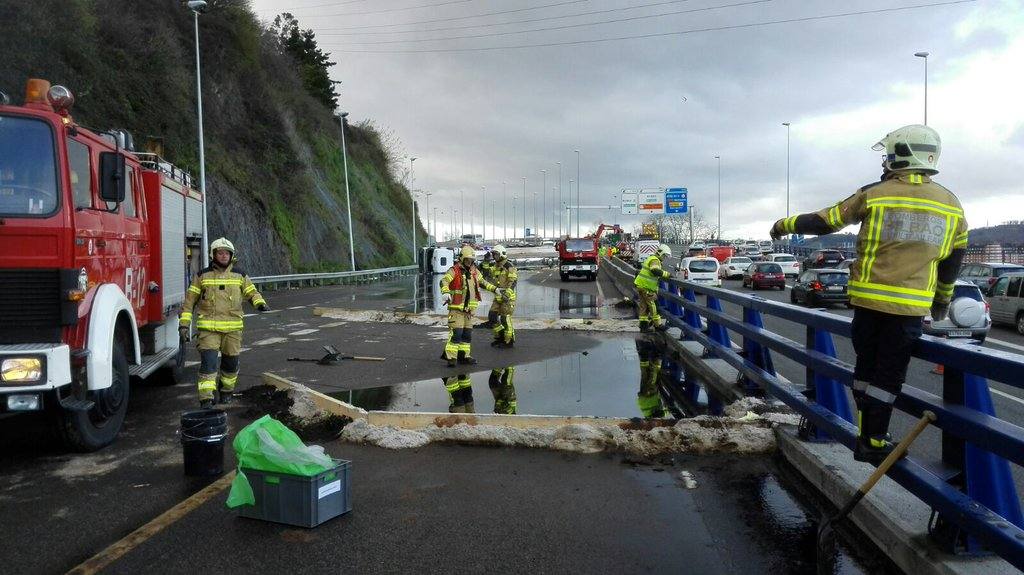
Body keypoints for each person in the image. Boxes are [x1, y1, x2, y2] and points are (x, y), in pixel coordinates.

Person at [769, 124, 967, 464]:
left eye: (888, 155)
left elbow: (825, 221)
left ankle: (869, 436)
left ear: (899, 155)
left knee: (865, 371)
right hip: (908, 312)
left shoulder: (876, 193)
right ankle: (872, 438)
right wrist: (941, 303)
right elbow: (952, 262)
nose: (884, 162)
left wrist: (783, 225)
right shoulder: (952, 205)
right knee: (887, 377)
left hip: (866, 304)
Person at [180, 238, 268, 408]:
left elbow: (252, 292)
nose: (224, 256)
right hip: (208, 330)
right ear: (214, 255)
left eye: (227, 253)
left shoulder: (240, 275)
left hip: (233, 330)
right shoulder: (202, 276)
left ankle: (226, 392)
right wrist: (184, 324)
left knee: (230, 364)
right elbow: (189, 302)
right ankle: (206, 398)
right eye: (220, 253)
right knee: (209, 364)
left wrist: (260, 303)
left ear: (231, 255)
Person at [440, 245, 503, 367]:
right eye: (468, 260)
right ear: (462, 258)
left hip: (469, 311)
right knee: (456, 334)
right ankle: (451, 357)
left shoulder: (474, 270)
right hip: (456, 310)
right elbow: (444, 281)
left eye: (472, 260)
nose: (470, 262)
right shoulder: (454, 270)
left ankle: (464, 356)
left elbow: (483, 282)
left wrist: (495, 289)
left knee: (467, 335)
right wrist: (445, 292)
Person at [633, 244, 673, 332]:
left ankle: (643, 327)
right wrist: (667, 274)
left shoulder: (651, 258)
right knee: (654, 305)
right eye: (664, 256)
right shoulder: (655, 260)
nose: (664, 258)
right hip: (647, 287)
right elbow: (654, 270)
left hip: (640, 285)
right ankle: (658, 325)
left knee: (644, 307)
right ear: (661, 254)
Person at [488, 244, 518, 348]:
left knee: (505, 319)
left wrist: (507, 294)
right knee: (492, 317)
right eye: (493, 254)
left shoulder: (509, 266)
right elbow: (488, 276)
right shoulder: (496, 266)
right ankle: (500, 337)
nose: (493, 256)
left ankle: (508, 341)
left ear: (501, 254)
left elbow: (513, 281)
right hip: (498, 297)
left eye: (495, 254)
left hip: (507, 298)